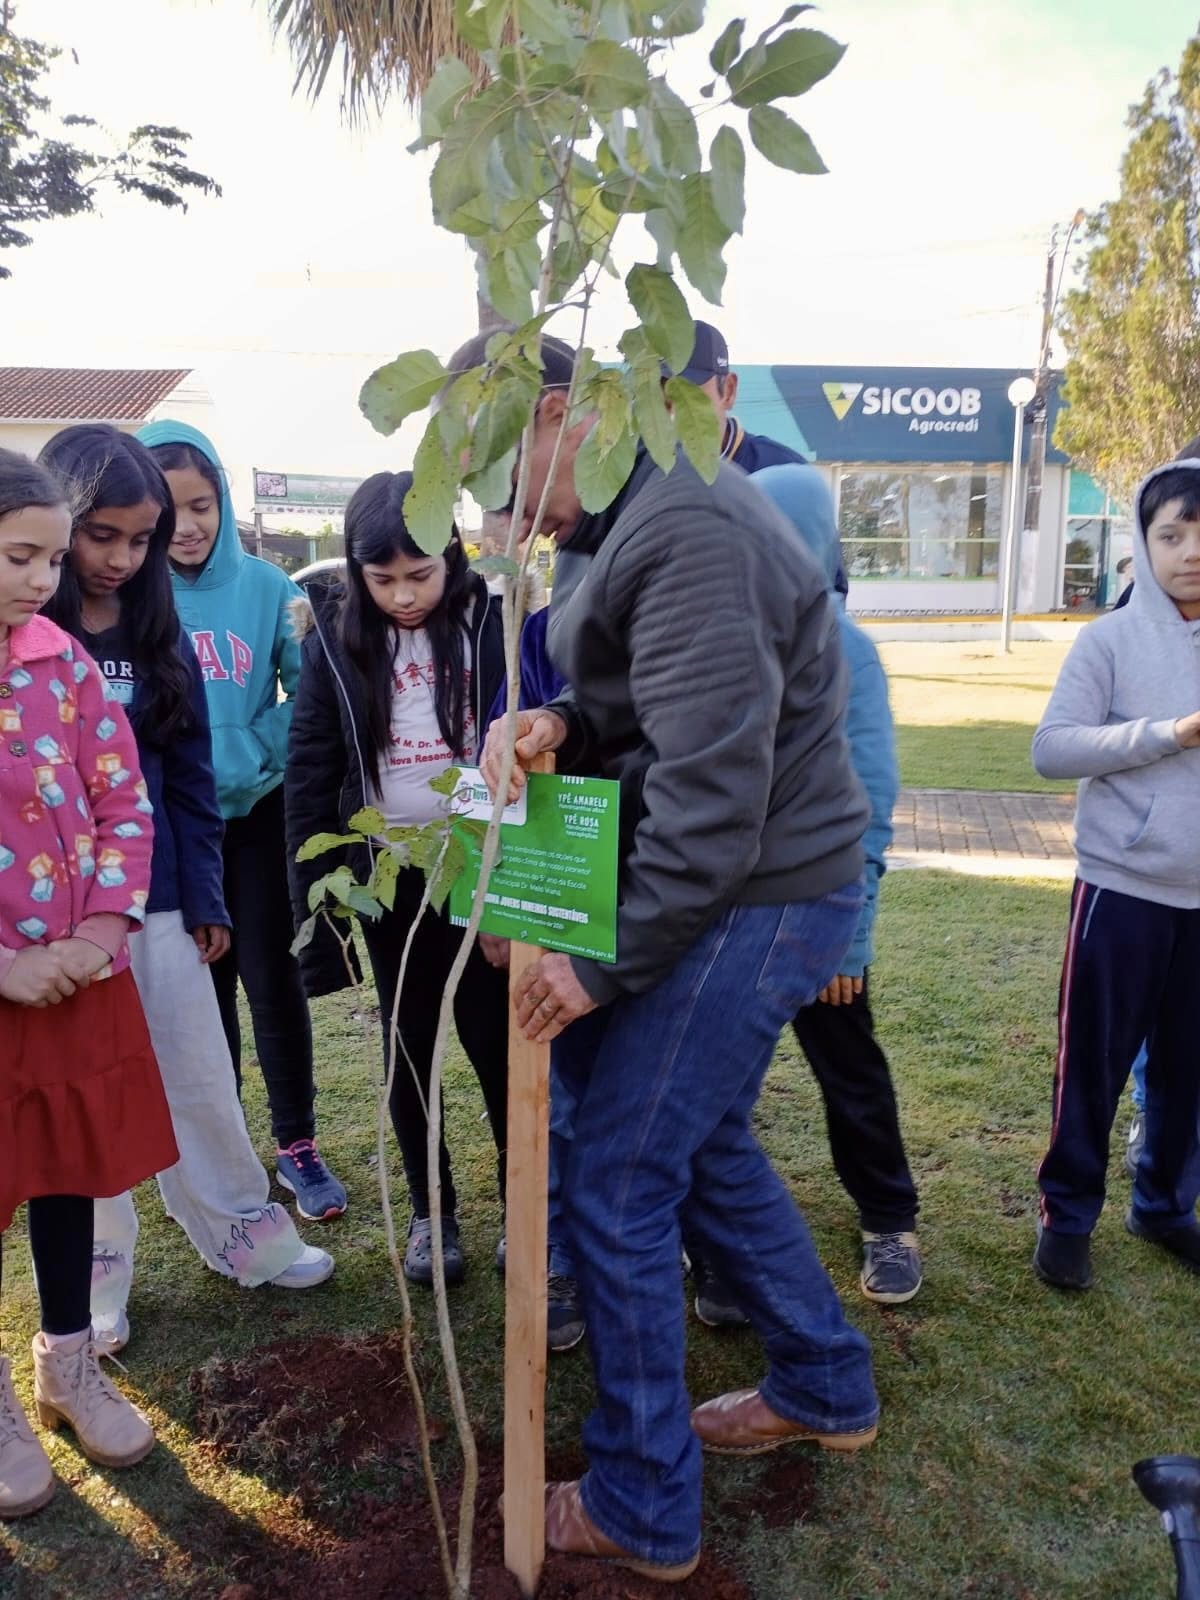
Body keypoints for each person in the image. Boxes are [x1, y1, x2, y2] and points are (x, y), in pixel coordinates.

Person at [479, 345, 879, 1582]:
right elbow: (664, 703)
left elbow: (711, 798)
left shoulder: (687, 527)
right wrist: (565, 718)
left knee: (619, 1178)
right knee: (695, 1145)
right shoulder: (631, 510)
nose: (504, 516)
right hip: (744, 879)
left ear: (559, 413)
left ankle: (643, 1499)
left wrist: (601, 970)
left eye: (502, 476)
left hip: (756, 892)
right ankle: (823, 1379)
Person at [39, 427, 334, 1354]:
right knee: (88, 1091)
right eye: (103, 536)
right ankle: (97, 1265)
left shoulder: (157, 631)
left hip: (159, 897)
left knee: (197, 1069)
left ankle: (242, 1228)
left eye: (142, 539)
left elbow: (190, 777)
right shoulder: (28, 636)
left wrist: (205, 894)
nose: (122, 559)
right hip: (56, 916)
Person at [0, 448, 178, 1516]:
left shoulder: (60, 660)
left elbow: (123, 801)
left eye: (50, 559)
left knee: (68, 1172)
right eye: (18, 557)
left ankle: (68, 1365)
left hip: (78, 982)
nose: (41, 579)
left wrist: (100, 928)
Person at [286, 472, 508, 1285]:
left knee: (496, 1042)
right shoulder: (333, 643)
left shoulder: (493, 625)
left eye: (420, 575)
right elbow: (311, 769)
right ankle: (431, 1211)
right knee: (409, 1046)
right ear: (356, 572)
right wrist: (317, 912)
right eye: (382, 580)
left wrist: (505, 882)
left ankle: (526, 1206)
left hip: (478, 869)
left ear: (453, 554)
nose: (405, 596)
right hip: (390, 877)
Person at [138, 422, 346, 1223]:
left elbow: (310, 696)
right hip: (172, 832)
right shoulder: (133, 597)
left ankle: (298, 1143)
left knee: (273, 980)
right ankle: (220, 1157)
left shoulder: (268, 588)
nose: (188, 525)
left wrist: (253, 744)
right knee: (201, 994)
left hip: (258, 818)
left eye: (203, 505)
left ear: (223, 498)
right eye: (170, 511)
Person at [754, 464, 922, 1304]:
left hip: (819, 916)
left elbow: (871, 799)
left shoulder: (847, 649)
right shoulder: (725, 638)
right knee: (718, 1090)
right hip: (728, 913)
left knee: (849, 1073)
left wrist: (849, 938)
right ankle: (720, 1248)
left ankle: (890, 1219)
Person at [1032, 457, 1200, 1291]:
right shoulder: (1108, 640)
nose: (1191, 552)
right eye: (1172, 535)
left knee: (1188, 1070)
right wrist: (1168, 732)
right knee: (1093, 1063)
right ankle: (1067, 1217)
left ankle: (1164, 1206)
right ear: (1144, 541)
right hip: (1122, 891)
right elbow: (1051, 748)